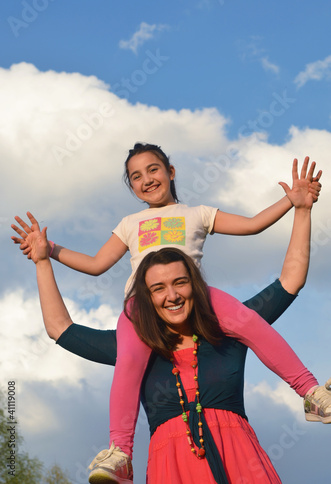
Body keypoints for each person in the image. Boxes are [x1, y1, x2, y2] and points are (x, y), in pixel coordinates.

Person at [11, 146, 322, 482]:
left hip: (201, 299)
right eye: (136, 176)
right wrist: (48, 252)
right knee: (129, 361)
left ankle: (311, 392)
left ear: (171, 171)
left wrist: (294, 203)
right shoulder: (129, 224)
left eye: (153, 169)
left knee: (249, 322)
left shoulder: (199, 214)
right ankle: (121, 452)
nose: (147, 179)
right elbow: (96, 265)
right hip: (140, 310)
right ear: (131, 187)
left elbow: (252, 226)